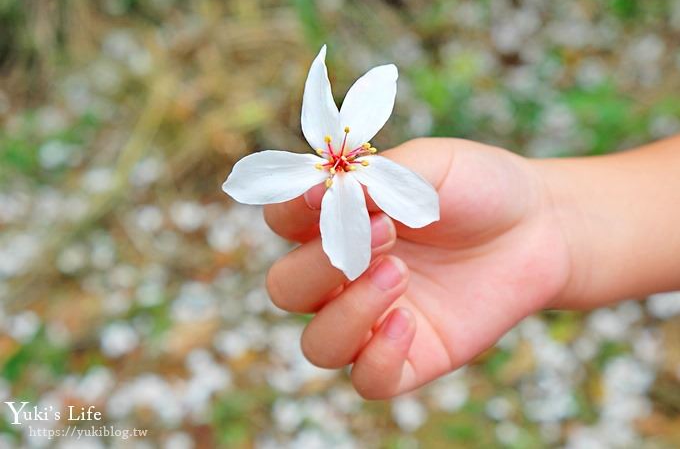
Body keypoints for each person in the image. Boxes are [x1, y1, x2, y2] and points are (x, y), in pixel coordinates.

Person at [262, 135, 680, 399]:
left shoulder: (354, 163)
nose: (341, 161)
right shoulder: (337, 165)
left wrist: (553, 220)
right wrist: (547, 217)